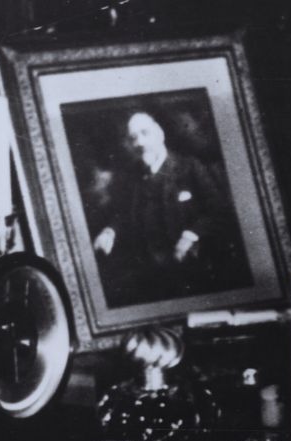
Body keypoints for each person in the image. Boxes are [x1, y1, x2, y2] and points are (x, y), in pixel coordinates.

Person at [92, 111, 250, 307]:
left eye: (145, 133)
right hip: (149, 274)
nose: (140, 143)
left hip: (191, 268)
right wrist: (110, 231)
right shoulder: (132, 177)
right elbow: (123, 216)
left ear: (160, 134)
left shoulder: (190, 167)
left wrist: (191, 235)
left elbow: (219, 211)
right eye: (133, 138)